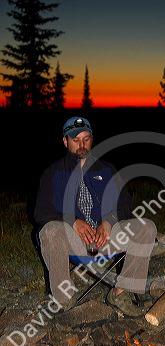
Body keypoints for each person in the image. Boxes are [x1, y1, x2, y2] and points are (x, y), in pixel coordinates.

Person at [34, 116, 157, 317]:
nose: (82, 145)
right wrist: (72, 222)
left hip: (106, 237)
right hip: (75, 240)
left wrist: (109, 222)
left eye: (86, 138)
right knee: (50, 230)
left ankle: (121, 292)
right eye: (75, 139)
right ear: (65, 141)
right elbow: (41, 211)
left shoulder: (106, 169)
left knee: (146, 227)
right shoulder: (53, 173)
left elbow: (125, 203)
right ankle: (64, 300)